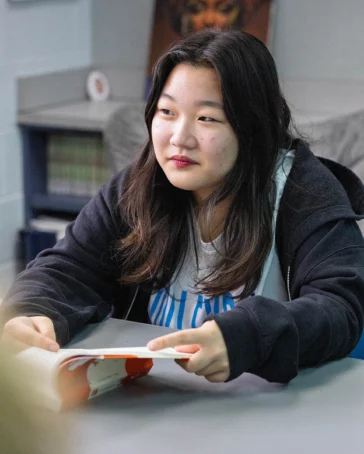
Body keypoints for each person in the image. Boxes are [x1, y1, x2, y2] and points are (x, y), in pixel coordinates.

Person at [2, 29, 364, 384]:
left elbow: (340, 307)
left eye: (207, 118)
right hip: (157, 400)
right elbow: (67, 269)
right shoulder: (139, 185)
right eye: (166, 111)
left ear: (252, 128)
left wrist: (247, 336)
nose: (179, 138)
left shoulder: (305, 191)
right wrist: (32, 311)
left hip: (270, 411)